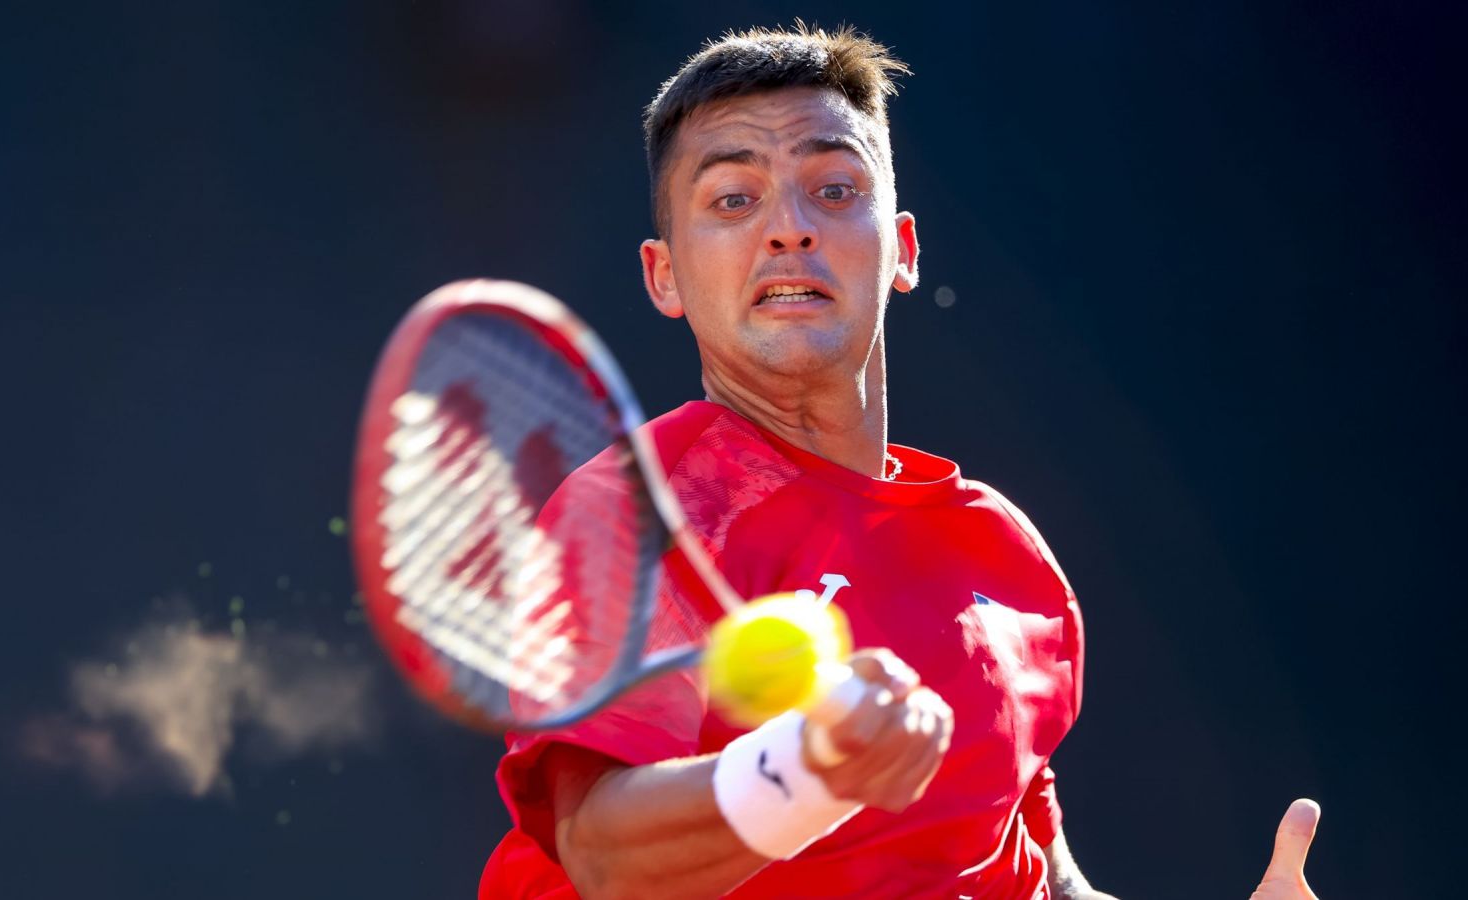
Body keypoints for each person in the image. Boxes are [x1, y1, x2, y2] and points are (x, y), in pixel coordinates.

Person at [477, 24, 1321, 899]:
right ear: (665, 277)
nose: (788, 229)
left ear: (904, 250)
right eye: (733, 199)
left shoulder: (1006, 557)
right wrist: (807, 775)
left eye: (834, 190)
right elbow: (603, 857)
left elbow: (1039, 879)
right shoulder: (639, 515)